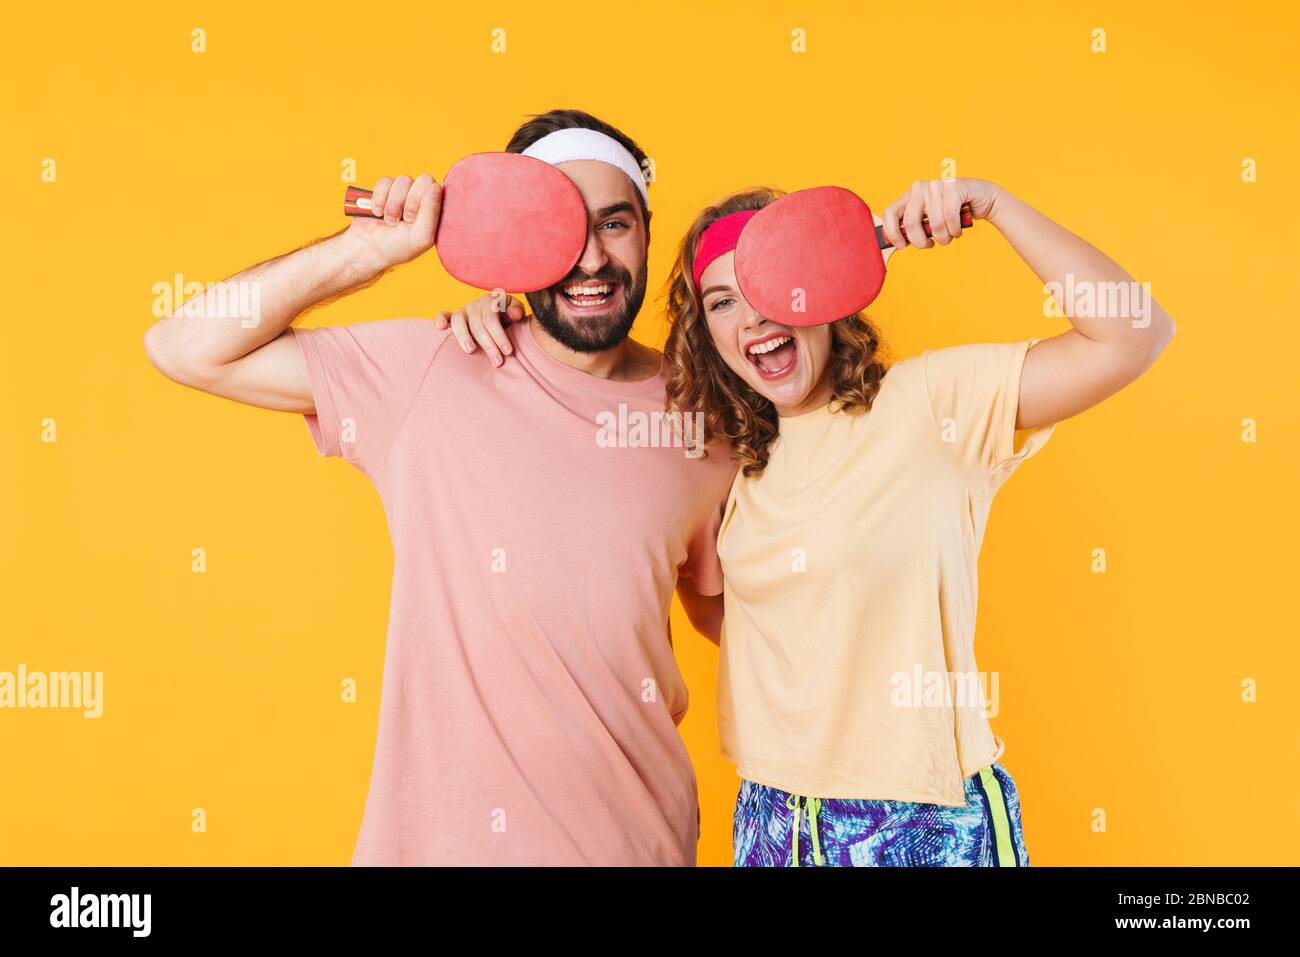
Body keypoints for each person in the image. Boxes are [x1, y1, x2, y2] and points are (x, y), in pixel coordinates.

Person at [450, 176, 1175, 866]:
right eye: (723, 301)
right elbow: (718, 601)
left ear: (823, 288)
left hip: (916, 814)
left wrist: (995, 207)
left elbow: (1134, 335)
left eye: (771, 283)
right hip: (773, 816)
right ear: (707, 333)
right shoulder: (727, 457)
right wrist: (507, 335)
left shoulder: (932, 404)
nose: (755, 317)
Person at [143, 109, 736, 866]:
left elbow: (736, 621)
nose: (591, 259)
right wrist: (369, 252)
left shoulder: (706, 420)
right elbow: (184, 346)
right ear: (514, 241)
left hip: (636, 846)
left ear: (648, 231)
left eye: (614, 223)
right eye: (561, 228)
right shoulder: (430, 367)